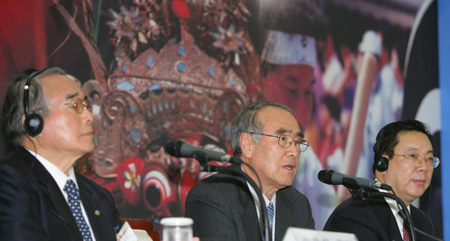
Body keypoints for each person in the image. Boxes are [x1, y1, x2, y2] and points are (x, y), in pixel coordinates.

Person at [0, 68, 122, 240]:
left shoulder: (97, 196)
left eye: (86, 105)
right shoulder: (9, 183)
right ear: (33, 122)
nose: (89, 116)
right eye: (75, 105)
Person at [185, 101, 315, 241]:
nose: (294, 152)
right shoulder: (212, 196)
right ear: (247, 145)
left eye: (297, 142)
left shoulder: (298, 204)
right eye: (283, 139)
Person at [324, 120, 440, 240]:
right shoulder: (354, 215)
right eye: (412, 156)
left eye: (429, 158)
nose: (424, 167)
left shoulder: (426, 225)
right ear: (383, 164)